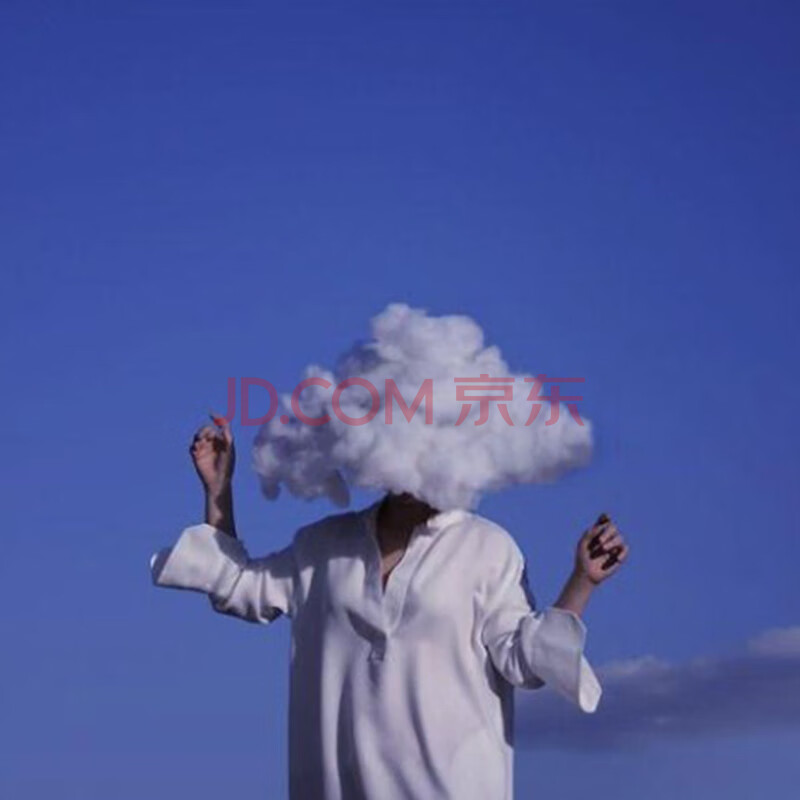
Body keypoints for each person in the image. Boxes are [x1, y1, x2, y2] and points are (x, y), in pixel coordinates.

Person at [151, 417, 629, 800]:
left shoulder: (487, 546)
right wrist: (219, 491)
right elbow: (239, 586)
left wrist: (582, 581)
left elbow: (523, 660)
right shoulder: (323, 544)